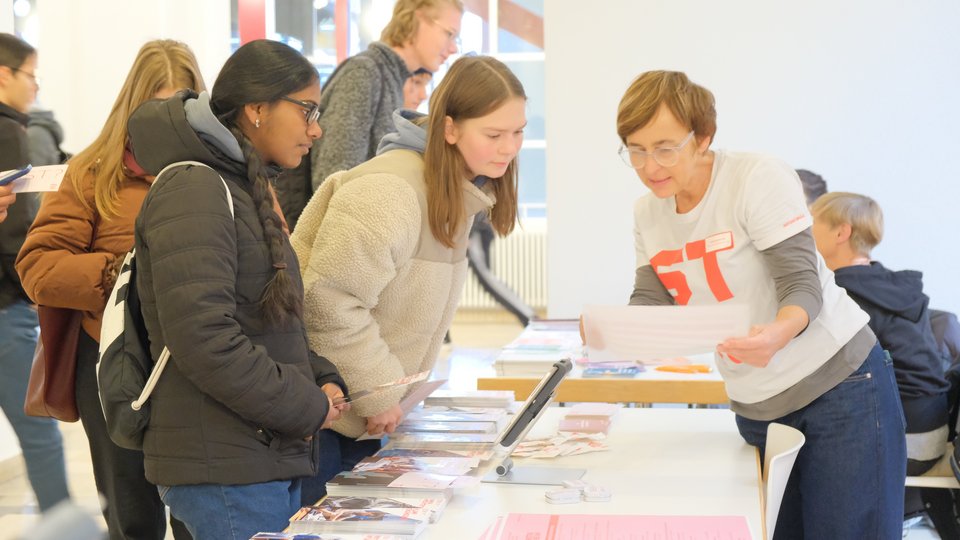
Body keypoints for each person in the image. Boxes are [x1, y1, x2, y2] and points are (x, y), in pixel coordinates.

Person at [614, 71, 905, 539]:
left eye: (665, 147)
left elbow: (801, 285)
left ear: (703, 137)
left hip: (840, 387)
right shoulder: (647, 213)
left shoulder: (754, 177)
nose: (650, 165)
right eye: (636, 149)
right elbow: (652, 298)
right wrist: (616, 331)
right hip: (756, 403)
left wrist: (777, 334)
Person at [124, 39, 348, 538]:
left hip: (257, 453)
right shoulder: (195, 188)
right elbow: (205, 341)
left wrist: (322, 377)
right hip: (224, 467)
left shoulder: (239, 186)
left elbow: (266, 321)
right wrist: (307, 404)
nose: (317, 129)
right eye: (307, 109)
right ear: (256, 109)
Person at [291, 55, 525, 505]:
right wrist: (377, 395)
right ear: (450, 129)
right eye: (494, 134)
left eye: (518, 132)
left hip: (368, 413)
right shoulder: (390, 192)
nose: (509, 147)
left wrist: (389, 397)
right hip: (327, 420)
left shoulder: (456, 188)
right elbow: (327, 302)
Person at [17, 39, 203, 539]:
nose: (167, 120)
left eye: (181, 105)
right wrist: (123, 275)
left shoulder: (220, 168)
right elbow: (38, 265)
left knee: (198, 514)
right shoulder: (92, 172)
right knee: (130, 518)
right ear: (133, 103)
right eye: (156, 105)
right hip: (112, 366)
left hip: (200, 368)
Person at [810, 191, 956, 534]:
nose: (805, 234)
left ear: (840, 232)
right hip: (933, 428)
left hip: (905, 442)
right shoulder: (889, 286)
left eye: (811, 224)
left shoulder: (843, 294)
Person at [274, 0, 464, 230]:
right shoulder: (365, 73)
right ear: (418, 17)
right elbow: (333, 180)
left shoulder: (391, 78)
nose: (453, 47)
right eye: (449, 33)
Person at [0, 32, 71, 514]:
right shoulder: (8, 129)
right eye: (31, 75)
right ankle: (66, 524)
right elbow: (14, 233)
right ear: (5, 74)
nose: (35, 87)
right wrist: (31, 286)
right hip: (7, 305)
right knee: (38, 425)